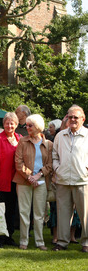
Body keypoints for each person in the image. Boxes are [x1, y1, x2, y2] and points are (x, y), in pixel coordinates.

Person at [13, 114, 53, 250]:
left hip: (41, 181)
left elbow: (50, 164)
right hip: (24, 181)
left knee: (39, 213)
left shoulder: (48, 144)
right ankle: (23, 241)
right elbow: (18, 162)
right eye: (27, 125)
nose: (27, 128)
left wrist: (38, 175)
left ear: (38, 127)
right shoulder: (22, 141)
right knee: (24, 212)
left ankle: (40, 241)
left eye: (30, 125)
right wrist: (29, 176)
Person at [52, 105, 88, 252]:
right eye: (70, 117)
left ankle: (86, 243)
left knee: (85, 214)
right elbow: (54, 155)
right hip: (63, 180)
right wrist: (57, 169)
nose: (72, 120)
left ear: (83, 119)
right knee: (63, 213)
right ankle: (62, 242)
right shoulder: (60, 135)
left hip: (82, 180)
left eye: (76, 117)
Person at [0, 112, 21, 247]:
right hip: (1, 180)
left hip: (15, 180)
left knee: (11, 210)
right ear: (3, 124)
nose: (9, 126)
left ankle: (9, 236)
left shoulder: (20, 138)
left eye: (12, 123)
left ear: (17, 124)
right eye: (7, 123)